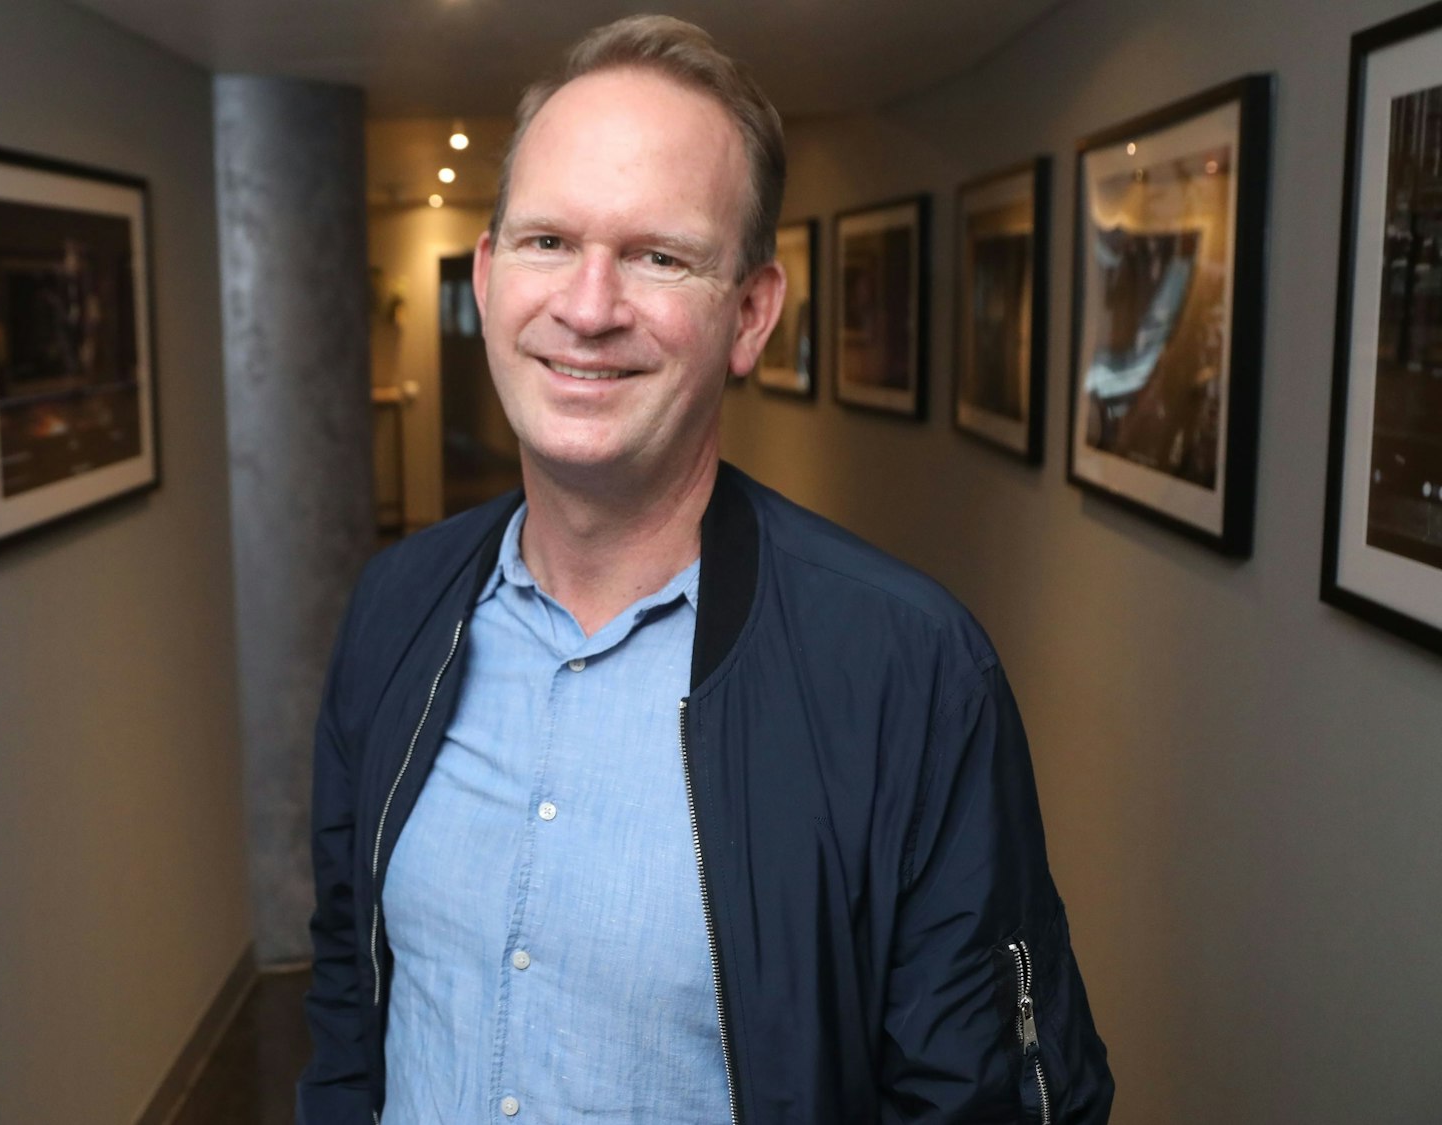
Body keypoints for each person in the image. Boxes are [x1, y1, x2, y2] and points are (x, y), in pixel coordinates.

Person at [299, 15, 1112, 1125]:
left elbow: (982, 1101)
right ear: (487, 278)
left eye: (658, 257)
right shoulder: (396, 609)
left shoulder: (907, 673)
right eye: (547, 241)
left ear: (751, 315)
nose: (588, 308)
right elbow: (348, 995)